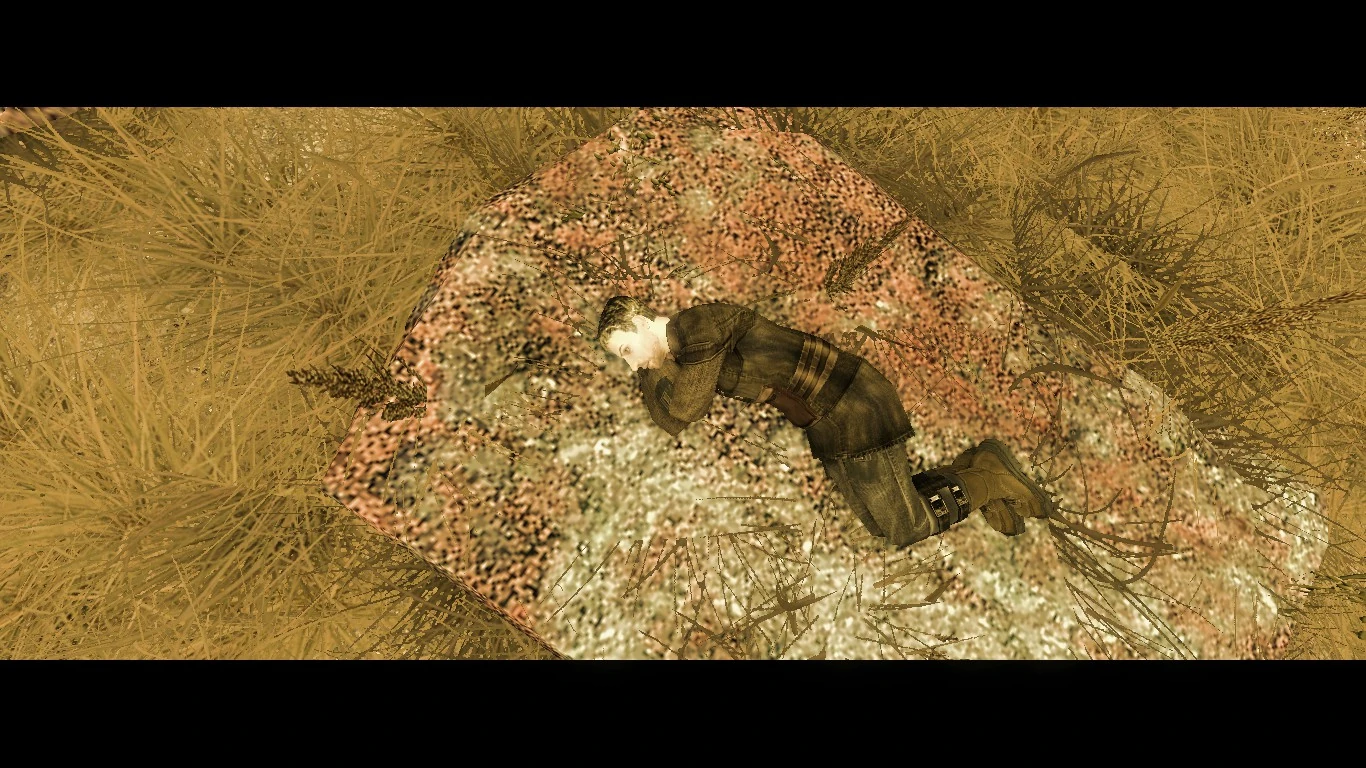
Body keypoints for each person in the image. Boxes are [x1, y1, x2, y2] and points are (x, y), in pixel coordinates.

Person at [595, 295, 1057, 548]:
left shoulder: (698, 329)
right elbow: (671, 417)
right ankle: (970, 474)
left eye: (627, 350)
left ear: (643, 321)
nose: (632, 365)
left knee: (905, 526)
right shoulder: (684, 351)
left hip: (854, 405)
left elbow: (682, 410)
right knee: (882, 524)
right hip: (828, 423)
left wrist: (653, 373)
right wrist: (655, 369)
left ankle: (989, 479)